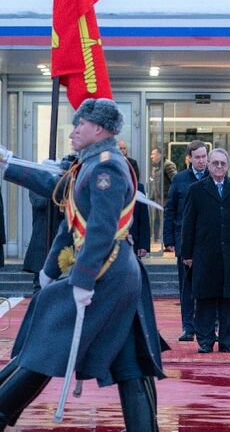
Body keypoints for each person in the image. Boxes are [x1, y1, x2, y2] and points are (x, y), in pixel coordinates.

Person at [0, 98, 166, 430]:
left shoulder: (106, 167)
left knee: (49, 338)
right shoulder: (89, 164)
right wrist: (8, 165)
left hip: (108, 272)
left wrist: (82, 282)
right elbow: (68, 208)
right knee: (130, 358)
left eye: (81, 124)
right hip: (111, 273)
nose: (74, 130)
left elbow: (102, 231)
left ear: (99, 129)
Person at [182, 148, 230, 354]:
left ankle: (227, 340)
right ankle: (205, 340)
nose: (219, 167)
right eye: (215, 163)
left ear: (227, 166)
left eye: (223, 163)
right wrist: (187, 254)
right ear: (209, 164)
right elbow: (189, 224)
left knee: (229, 299)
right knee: (205, 298)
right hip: (204, 253)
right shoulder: (196, 190)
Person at [164, 140, 209, 342]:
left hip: (209, 241)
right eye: (197, 157)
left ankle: (209, 325)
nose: (201, 161)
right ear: (190, 158)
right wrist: (168, 239)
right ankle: (188, 327)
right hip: (185, 241)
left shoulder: (215, 177)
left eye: (204, 157)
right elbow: (170, 210)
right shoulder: (180, 180)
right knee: (187, 286)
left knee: (210, 284)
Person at [150, 146, 176, 244]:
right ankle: (156, 241)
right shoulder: (155, 167)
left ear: (160, 155)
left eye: (153, 154)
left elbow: (175, 180)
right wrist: (152, 197)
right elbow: (154, 183)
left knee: (166, 222)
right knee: (156, 221)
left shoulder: (168, 165)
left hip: (166, 200)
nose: (151, 157)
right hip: (157, 200)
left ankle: (168, 242)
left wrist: (171, 197)